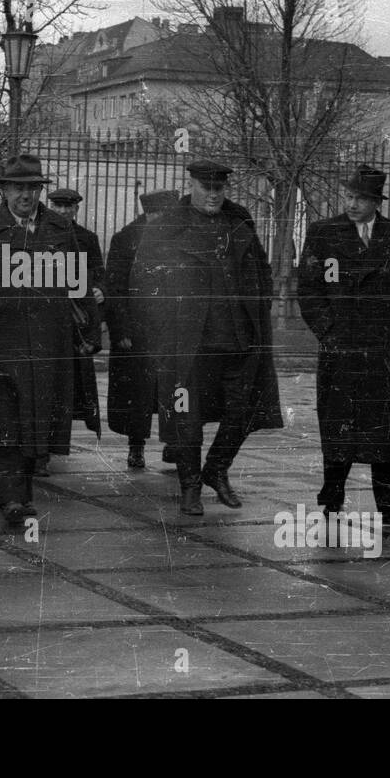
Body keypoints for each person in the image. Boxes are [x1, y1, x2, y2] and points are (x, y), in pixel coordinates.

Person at [132, 160, 283, 515]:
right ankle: (189, 486)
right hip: (187, 342)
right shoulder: (169, 224)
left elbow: (260, 270)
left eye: (219, 188)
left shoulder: (239, 219)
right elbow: (143, 282)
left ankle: (216, 469)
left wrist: (259, 307)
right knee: (186, 416)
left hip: (238, 338)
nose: (213, 195)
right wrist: (162, 329)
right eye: (206, 188)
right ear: (193, 185)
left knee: (243, 411)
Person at [0, 154, 95, 526]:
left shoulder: (59, 230)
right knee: (6, 418)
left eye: (33, 188)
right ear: (3, 190)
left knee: (36, 421)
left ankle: (10, 489)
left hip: (48, 344)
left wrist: (87, 333)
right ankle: (14, 499)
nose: (26, 195)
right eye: (18, 188)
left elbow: (77, 286)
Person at [297, 166, 390, 526]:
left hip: (387, 350)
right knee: (340, 423)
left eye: (361, 198)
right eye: (349, 196)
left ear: (376, 201)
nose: (352, 203)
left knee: (389, 428)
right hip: (343, 346)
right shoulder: (324, 233)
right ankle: (332, 499)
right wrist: (329, 332)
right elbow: (310, 290)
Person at [105, 188, 178, 469]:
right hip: (138, 331)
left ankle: (175, 444)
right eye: (158, 214)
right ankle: (136, 446)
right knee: (137, 393)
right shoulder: (125, 240)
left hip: (172, 329)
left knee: (174, 390)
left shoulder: (181, 238)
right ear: (149, 214)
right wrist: (120, 330)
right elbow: (115, 286)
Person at [47, 186, 105, 455]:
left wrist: (99, 290)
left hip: (75, 324)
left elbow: (99, 274)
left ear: (76, 209)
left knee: (70, 387)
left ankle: (56, 442)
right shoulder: (39, 234)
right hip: (47, 318)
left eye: (68, 207)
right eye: (58, 206)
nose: (63, 211)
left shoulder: (87, 238)